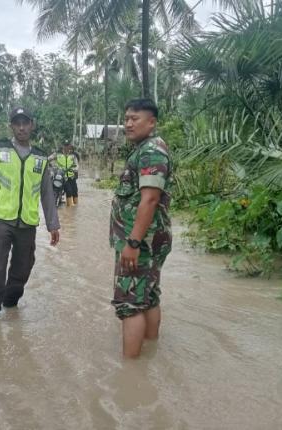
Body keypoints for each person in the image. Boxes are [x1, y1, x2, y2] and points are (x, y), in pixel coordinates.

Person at [0, 107, 60, 322]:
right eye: (17, 123)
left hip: (27, 223)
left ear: (32, 125)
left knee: (23, 269)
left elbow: (47, 192)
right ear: (12, 126)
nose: (21, 127)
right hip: (1, 220)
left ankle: (10, 305)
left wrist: (53, 224)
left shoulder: (40, 156)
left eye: (25, 123)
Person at [109, 98, 174, 358]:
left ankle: (131, 371)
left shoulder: (151, 151)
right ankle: (149, 355)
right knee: (149, 296)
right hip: (149, 240)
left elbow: (150, 198)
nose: (128, 124)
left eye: (135, 119)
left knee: (130, 302)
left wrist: (133, 243)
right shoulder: (145, 149)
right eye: (126, 119)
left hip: (141, 242)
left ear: (152, 122)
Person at [54, 142, 79, 206]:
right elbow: (48, 159)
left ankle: (74, 207)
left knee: (75, 192)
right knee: (69, 191)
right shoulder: (58, 154)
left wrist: (75, 169)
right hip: (62, 176)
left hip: (71, 176)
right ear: (63, 146)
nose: (66, 147)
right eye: (65, 145)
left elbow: (77, 165)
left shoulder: (73, 155)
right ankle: (70, 207)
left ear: (70, 146)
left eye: (67, 145)